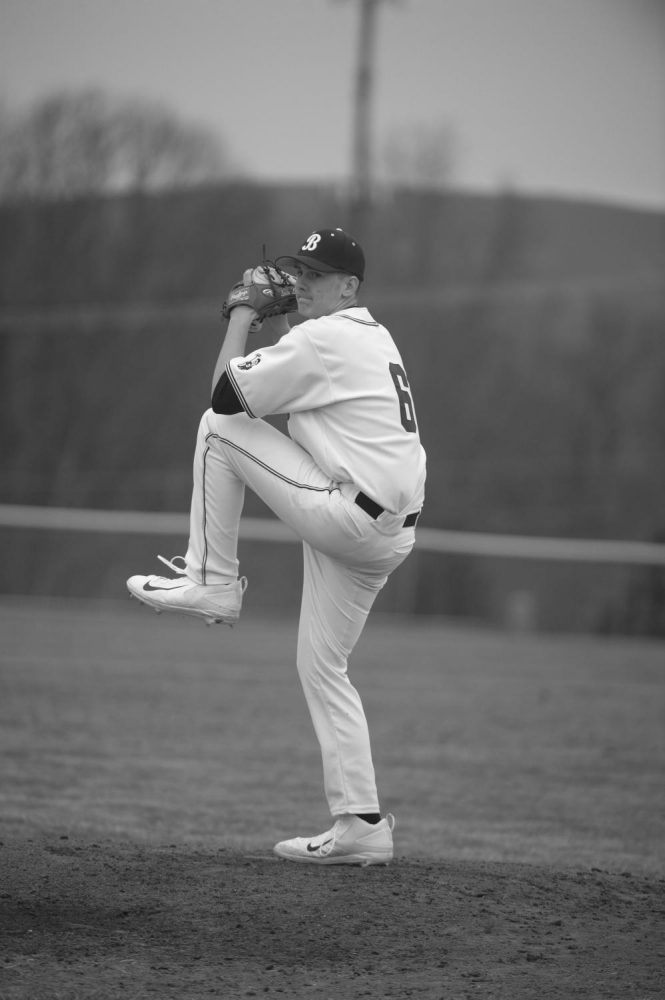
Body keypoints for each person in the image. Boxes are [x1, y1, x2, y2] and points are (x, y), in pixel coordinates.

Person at [127, 227, 426, 866]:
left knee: (216, 429)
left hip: (350, 516)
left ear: (349, 287)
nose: (301, 284)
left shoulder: (324, 338)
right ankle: (362, 826)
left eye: (317, 276)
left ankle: (211, 579)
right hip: (385, 529)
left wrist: (241, 312)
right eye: (300, 272)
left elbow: (223, 398)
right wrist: (278, 326)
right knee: (322, 668)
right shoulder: (370, 334)